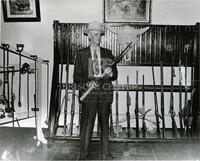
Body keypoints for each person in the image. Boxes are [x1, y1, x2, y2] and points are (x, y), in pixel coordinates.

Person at [73, 21, 118, 160]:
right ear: (90, 35)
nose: (99, 37)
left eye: (100, 35)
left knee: (105, 124)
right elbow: (76, 76)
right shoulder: (81, 54)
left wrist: (110, 73)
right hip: (89, 95)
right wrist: (88, 82)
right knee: (87, 125)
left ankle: (105, 153)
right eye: (97, 34)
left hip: (104, 94)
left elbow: (115, 74)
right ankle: (84, 153)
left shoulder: (107, 53)